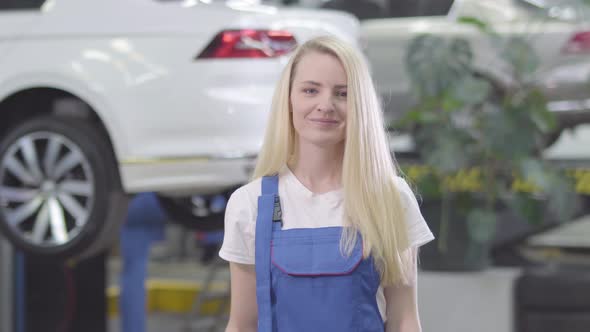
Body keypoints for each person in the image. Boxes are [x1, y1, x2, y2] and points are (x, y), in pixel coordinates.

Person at [219, 35, 434, 332]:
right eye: (310, 90)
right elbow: (243, 324)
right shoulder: (250, 204)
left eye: (342, 94)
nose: (325, 105)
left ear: (360, 105)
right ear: (289, 99)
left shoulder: (389, 198)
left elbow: (404, 320)